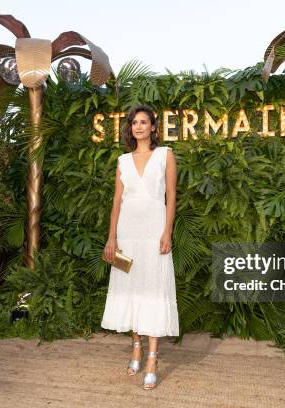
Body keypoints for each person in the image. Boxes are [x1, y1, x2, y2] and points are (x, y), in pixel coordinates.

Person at [101, 105, 180, 390]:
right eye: (134, 122)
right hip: (127, 231)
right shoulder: (122, 160)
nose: (138, 126)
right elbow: (116, 202)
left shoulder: (165, 155)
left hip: (154, 229)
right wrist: (112, 237)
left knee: (153, 288)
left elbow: (171, 197)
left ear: (153, 128)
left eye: (144, 122)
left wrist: (167, 231)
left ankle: (153, 357)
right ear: (130, 128)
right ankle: (136, 347)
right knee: (132, 288)